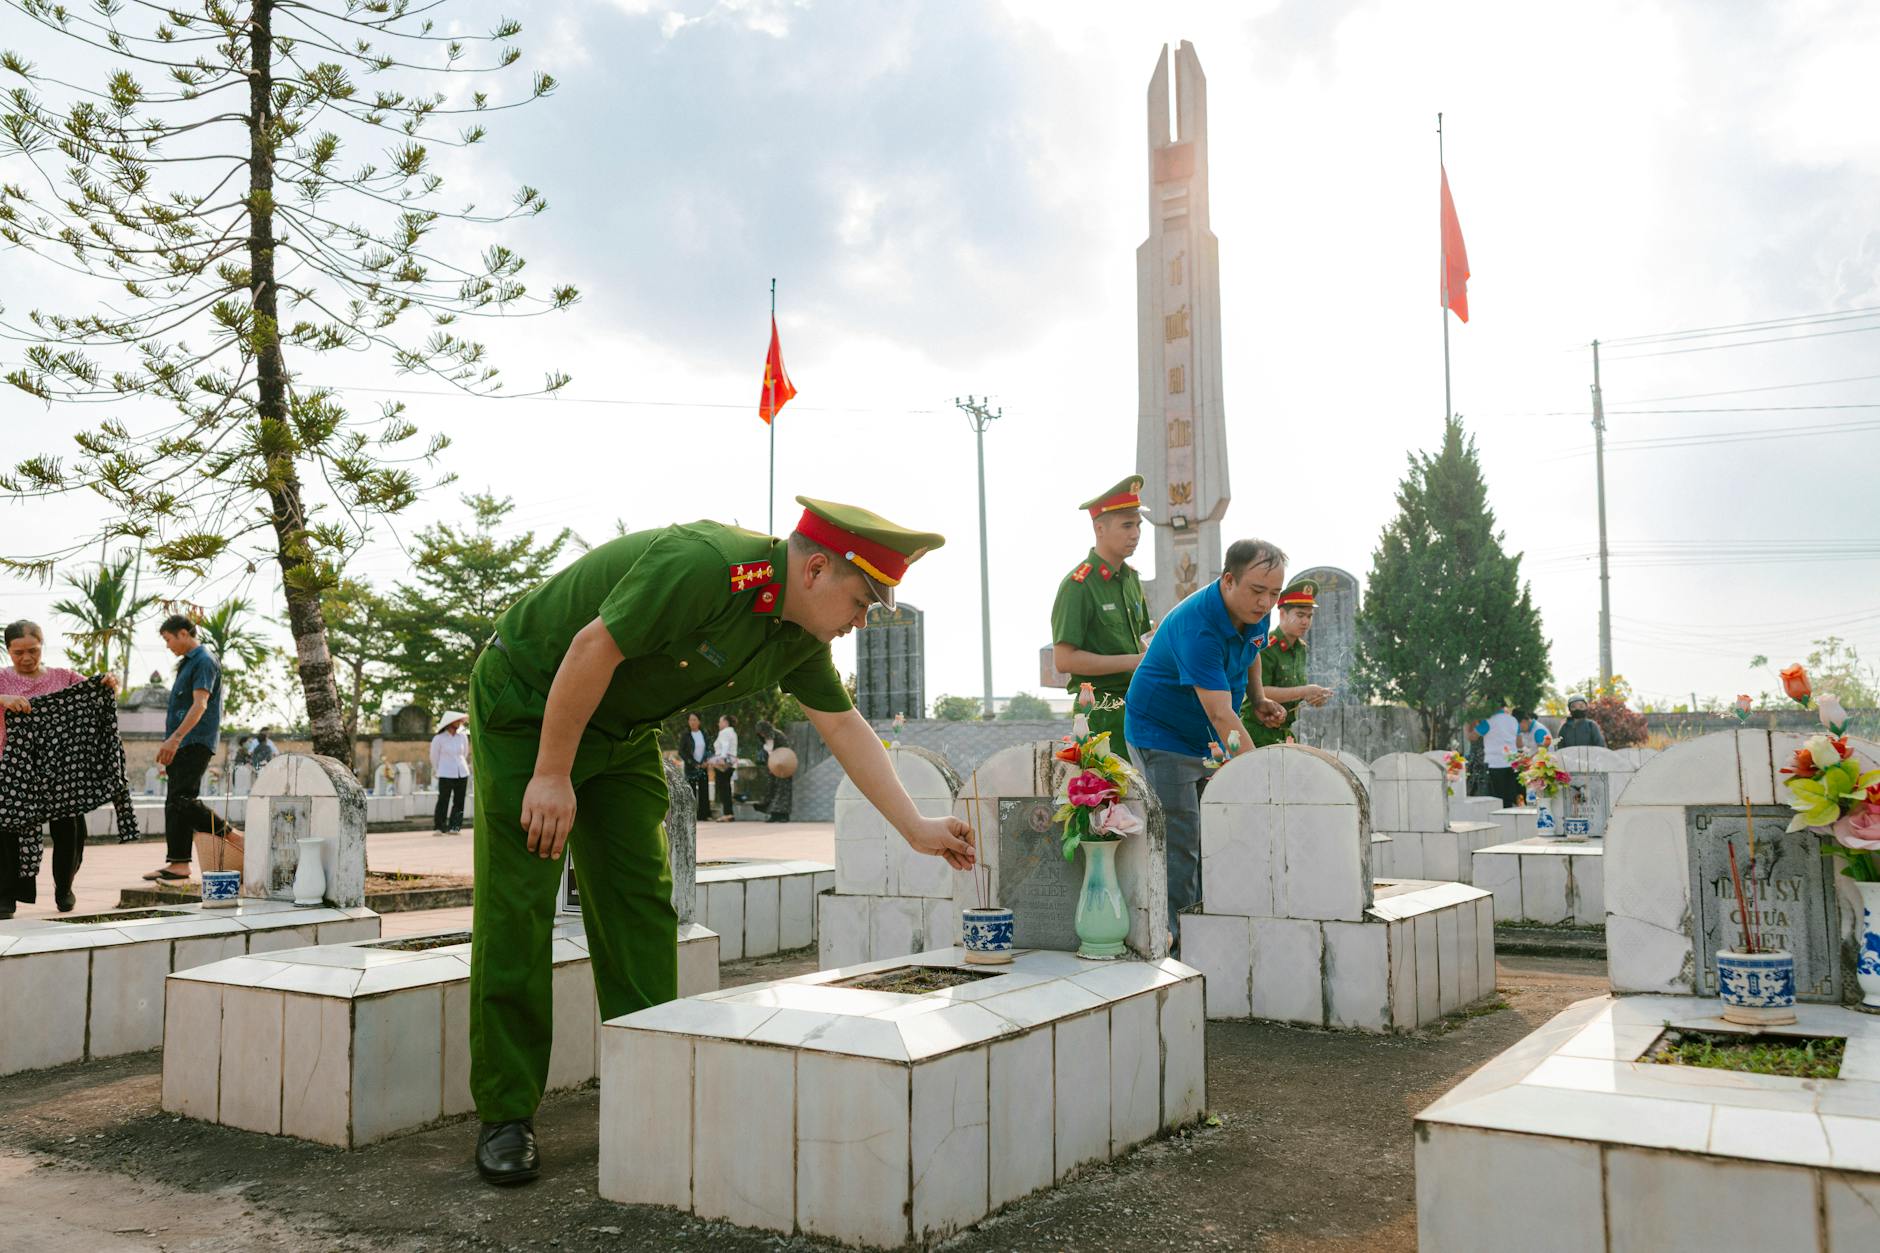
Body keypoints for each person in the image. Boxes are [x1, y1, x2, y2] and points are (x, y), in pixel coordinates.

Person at [465, 495, 976, 1186]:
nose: (860, 623)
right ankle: (505, 1114)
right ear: (818, 568)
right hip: (530, 705)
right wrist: (551, 772)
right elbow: (591, 648)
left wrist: (915, 827)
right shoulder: (706, 565)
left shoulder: (794, 635)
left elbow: (845, 725)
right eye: (860, 602)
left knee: (640, 903)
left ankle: (650, 1080)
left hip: (616, 731)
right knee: (518, 901)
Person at [1126, 539, 1288, 941]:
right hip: (1161, 733)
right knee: (1180, 839)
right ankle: (1174, 939)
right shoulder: (1197, 626)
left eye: (1274, 594)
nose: (1266, 603)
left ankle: (1206, 923)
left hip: (1206, 736)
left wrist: (1259, 696)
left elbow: (1254, 650)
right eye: (1257, 591)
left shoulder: (1254, 611)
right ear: (1228, 580)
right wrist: (1258, 774)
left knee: (1213, 832)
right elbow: (1220, 713)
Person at [0, 620, 120, 916]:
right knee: (8, 832)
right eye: (18, 653)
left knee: (69, 830)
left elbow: (96, 693)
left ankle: (64, 888)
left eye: (33, 650)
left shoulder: (64, 677)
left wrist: (108, 682)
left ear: (42, 646)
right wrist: (4, 700)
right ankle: (5, 895)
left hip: (62, 770)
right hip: (13, 767)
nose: (26, 658)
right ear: (8, 651)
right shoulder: (1, 680)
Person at [1050, 474, 1154, 761]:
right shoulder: (1078, 585)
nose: (1135, 534)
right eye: (1127, 525)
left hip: (1138, 707)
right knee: (1108, 801)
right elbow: (1064, 660)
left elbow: (1145, 641)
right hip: (1101, 712)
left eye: (1138, 525)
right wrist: (1135, 661)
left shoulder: (1132, 579)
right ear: (1099, 528)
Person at [143, 615, 242, 882]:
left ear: (184, 633)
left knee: (183, 799)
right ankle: (178, 863)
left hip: (195, 740)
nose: (168, 646)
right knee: (175, 802)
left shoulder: (204, 661)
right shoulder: (187, 664)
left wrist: (175, 739)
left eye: (168, 639)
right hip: (181, 742)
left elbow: (200, 705)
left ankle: (232, 836)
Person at [1239, 579, 1332, 747]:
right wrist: (1304, 691)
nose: (1306, 622)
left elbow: (1294, 693)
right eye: (1300, 615)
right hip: (1256, 734)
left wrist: (1312, 697)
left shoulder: (1300, 649)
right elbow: (1260, 691)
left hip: (1284, 733)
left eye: (1309, 616)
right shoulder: (1265, 646)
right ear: (1282, 614)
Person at [1474, 701, 1521, 808]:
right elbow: (1519, 743)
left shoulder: (1488, 721)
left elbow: (1472, 737)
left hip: (1494, 764)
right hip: (1512, 763)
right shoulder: (1513, 720)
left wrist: (1468, 724)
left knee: (1497, 799)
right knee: (1511, 799)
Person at [431, 711, 471, 834]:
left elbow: (465, 754)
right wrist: (438, 770)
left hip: (462, 773)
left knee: (459, 801)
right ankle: (439, 827)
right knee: (443, 800)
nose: (459, 723)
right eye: (457, 721)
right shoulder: (438, 739)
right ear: (449, 723)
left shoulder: (462, 737)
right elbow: (434, 757)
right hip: (445, 773)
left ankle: (455, 826)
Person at [753, 718, 793, 823]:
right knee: (771, 789)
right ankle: (773, 814)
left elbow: (786, 751)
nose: (761, 735)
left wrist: (778, 765)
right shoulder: (764, 740)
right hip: (772, 767)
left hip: (783, 766)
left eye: (762, 732)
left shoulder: (779, 736)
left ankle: (783, 815)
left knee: (783, 791)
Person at [679, 711, 711, 822]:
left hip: (703, 766)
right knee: (691, 792)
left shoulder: (704, 733)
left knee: (704, 790)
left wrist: (705, 761)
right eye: (690, 720)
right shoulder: (685, 735)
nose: (692, 722)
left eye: (694, 719)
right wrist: (693, 763)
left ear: (699, 721)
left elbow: (709, 748)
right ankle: (691, 815)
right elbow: (681, 752)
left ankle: (704, 814)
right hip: (690, 767)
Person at [707, 713, 739, 821]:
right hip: (731, 762)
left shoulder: (724, 732)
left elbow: (725, 746)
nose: (718, 724)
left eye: (720, 722)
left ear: (725, 722)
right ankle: (729, 813)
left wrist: (722, 758)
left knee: (723, 787)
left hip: (724, 762)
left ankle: (728, 813)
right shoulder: (732, 732)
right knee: (726, 787)